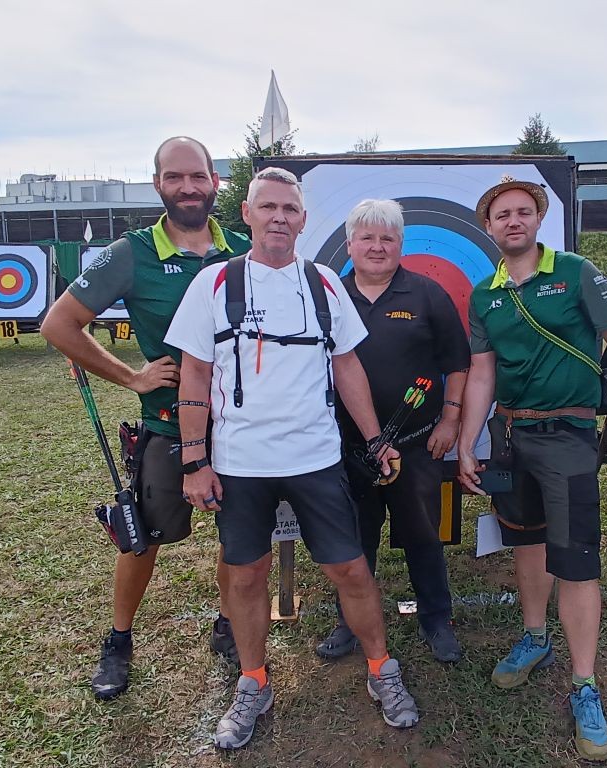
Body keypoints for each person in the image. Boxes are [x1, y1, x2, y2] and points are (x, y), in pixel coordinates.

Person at [166, 168, 420, 750]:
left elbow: (346, 365)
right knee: (246, 574)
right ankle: (253, 682)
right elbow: (195, 374)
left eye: (290, 209)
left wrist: (375, 439)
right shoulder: (213, 282)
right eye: (268, 207)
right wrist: (195, 462)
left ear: (303, 220)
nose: (279, 217)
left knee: (350, 570)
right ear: (247, 214)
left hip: (316, 458)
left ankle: (381, 669)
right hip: (240, 463)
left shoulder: (325, 282)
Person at [456, 176, 607, 762]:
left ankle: (584, 683)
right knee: (525, 539)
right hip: (509, 436)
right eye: (501, 214)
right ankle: (535, 638)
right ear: (489, 227)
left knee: (577, 559)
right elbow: (482, 373)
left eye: (522, 211)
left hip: (568, 435)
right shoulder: (484, 295)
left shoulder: (577, 273)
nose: (513, 221)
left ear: (538, 220)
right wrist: (467, 442)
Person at [41, 136, 247, 701]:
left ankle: (229, 624)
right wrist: (131, 377)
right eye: (174, 177)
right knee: (141, 540)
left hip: (238, 427)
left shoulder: (244, 248)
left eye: (197, 176)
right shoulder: (130, 253)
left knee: (237, 536)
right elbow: (59, 324)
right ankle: (118, 640)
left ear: (215, 183)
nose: (188, 187)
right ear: (158, 184)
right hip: (167, 425)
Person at [315, 199, 470, 664]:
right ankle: (349, 622)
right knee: (353, 541)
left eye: (387, 238)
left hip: (416, 444)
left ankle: (436, 620)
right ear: (350, 245)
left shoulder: (427, 294)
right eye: (367, 237)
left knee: (423, 535)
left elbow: (457, 363)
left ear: (401, 245)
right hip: (347, 448)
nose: (377, 247)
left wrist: (450, 420)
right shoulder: (328, 297)